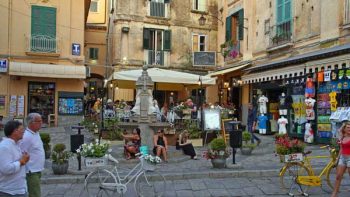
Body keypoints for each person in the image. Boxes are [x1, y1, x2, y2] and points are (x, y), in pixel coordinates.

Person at [0, 121, 30, 197]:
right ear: (14, 131)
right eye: (21, 129)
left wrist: (24, 160)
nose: (23, 131)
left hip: (19, 188)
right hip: (10, 191)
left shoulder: (16, 144)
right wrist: (21, 161)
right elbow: (6, 169)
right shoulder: (5, 147)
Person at [20, 113, 45, 197]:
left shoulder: (36, 133)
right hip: (31, 170)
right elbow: (22, 153)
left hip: (37, 169)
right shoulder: (26, 137)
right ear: (31, 123)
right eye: (39, 121)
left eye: (41, 121)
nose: (41, 123)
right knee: (35, 194)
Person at [331, 121, 350, 197]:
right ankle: (334, 194)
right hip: (342, 157)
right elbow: (341, 149)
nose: (349, 129)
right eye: (348, 127)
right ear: (344, 129)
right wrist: (337, 159)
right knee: (338, 176)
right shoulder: (342, 136)